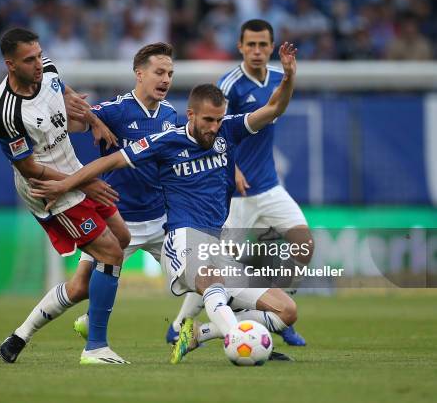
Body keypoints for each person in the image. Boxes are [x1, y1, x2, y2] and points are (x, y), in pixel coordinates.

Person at [31, 42, 300, 364]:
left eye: (170, 73)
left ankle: (199, 334)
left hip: (206, 237)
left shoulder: (220, 130)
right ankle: (237, 337)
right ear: (191, 115)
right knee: (82, 287)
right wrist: (66, 180)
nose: (214, 128)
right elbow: (104, 155)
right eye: (208, 121)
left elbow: (273, 110)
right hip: (161, 231)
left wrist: (287, 77)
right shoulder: (158, 134)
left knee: (286, 310)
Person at [167, 19, 314, 347]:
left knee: (304, 244)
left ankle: (279, 315)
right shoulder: (230, 84)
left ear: (271, 46)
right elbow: (217, 129)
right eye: (252, 45)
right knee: (218, 268)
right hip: (238, 193)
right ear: (240, 47)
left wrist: (290, 75)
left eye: (264, 45)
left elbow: (279, 105)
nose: (258, 51)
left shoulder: (278, 77)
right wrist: (231, 170)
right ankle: (179, 325)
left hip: (269, 185)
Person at [0, 28, 131, 365]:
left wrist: (93, 120)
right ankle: (96, 347)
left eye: (39, 55)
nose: (39, 64)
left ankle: (19, 337)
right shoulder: (6, 114)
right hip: (49, 190)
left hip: (74, 171)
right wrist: (81, 184)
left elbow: (64, 93)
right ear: (11, 65)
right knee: (110, 251)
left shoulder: (48, 70)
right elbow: (28, 168)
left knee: (119, 241)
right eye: (29, 59)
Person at [70, 42, 178, 339]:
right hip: (117, 219)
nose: (166, 79)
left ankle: (181, 326)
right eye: (159, 72)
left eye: (170, 73)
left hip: (158, 219)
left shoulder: (171, 116)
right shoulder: (117, 110)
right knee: (79, 286)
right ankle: (23, 334)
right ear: (139, 74)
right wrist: (92, 120)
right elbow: (72, 120)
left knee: (197, 275)